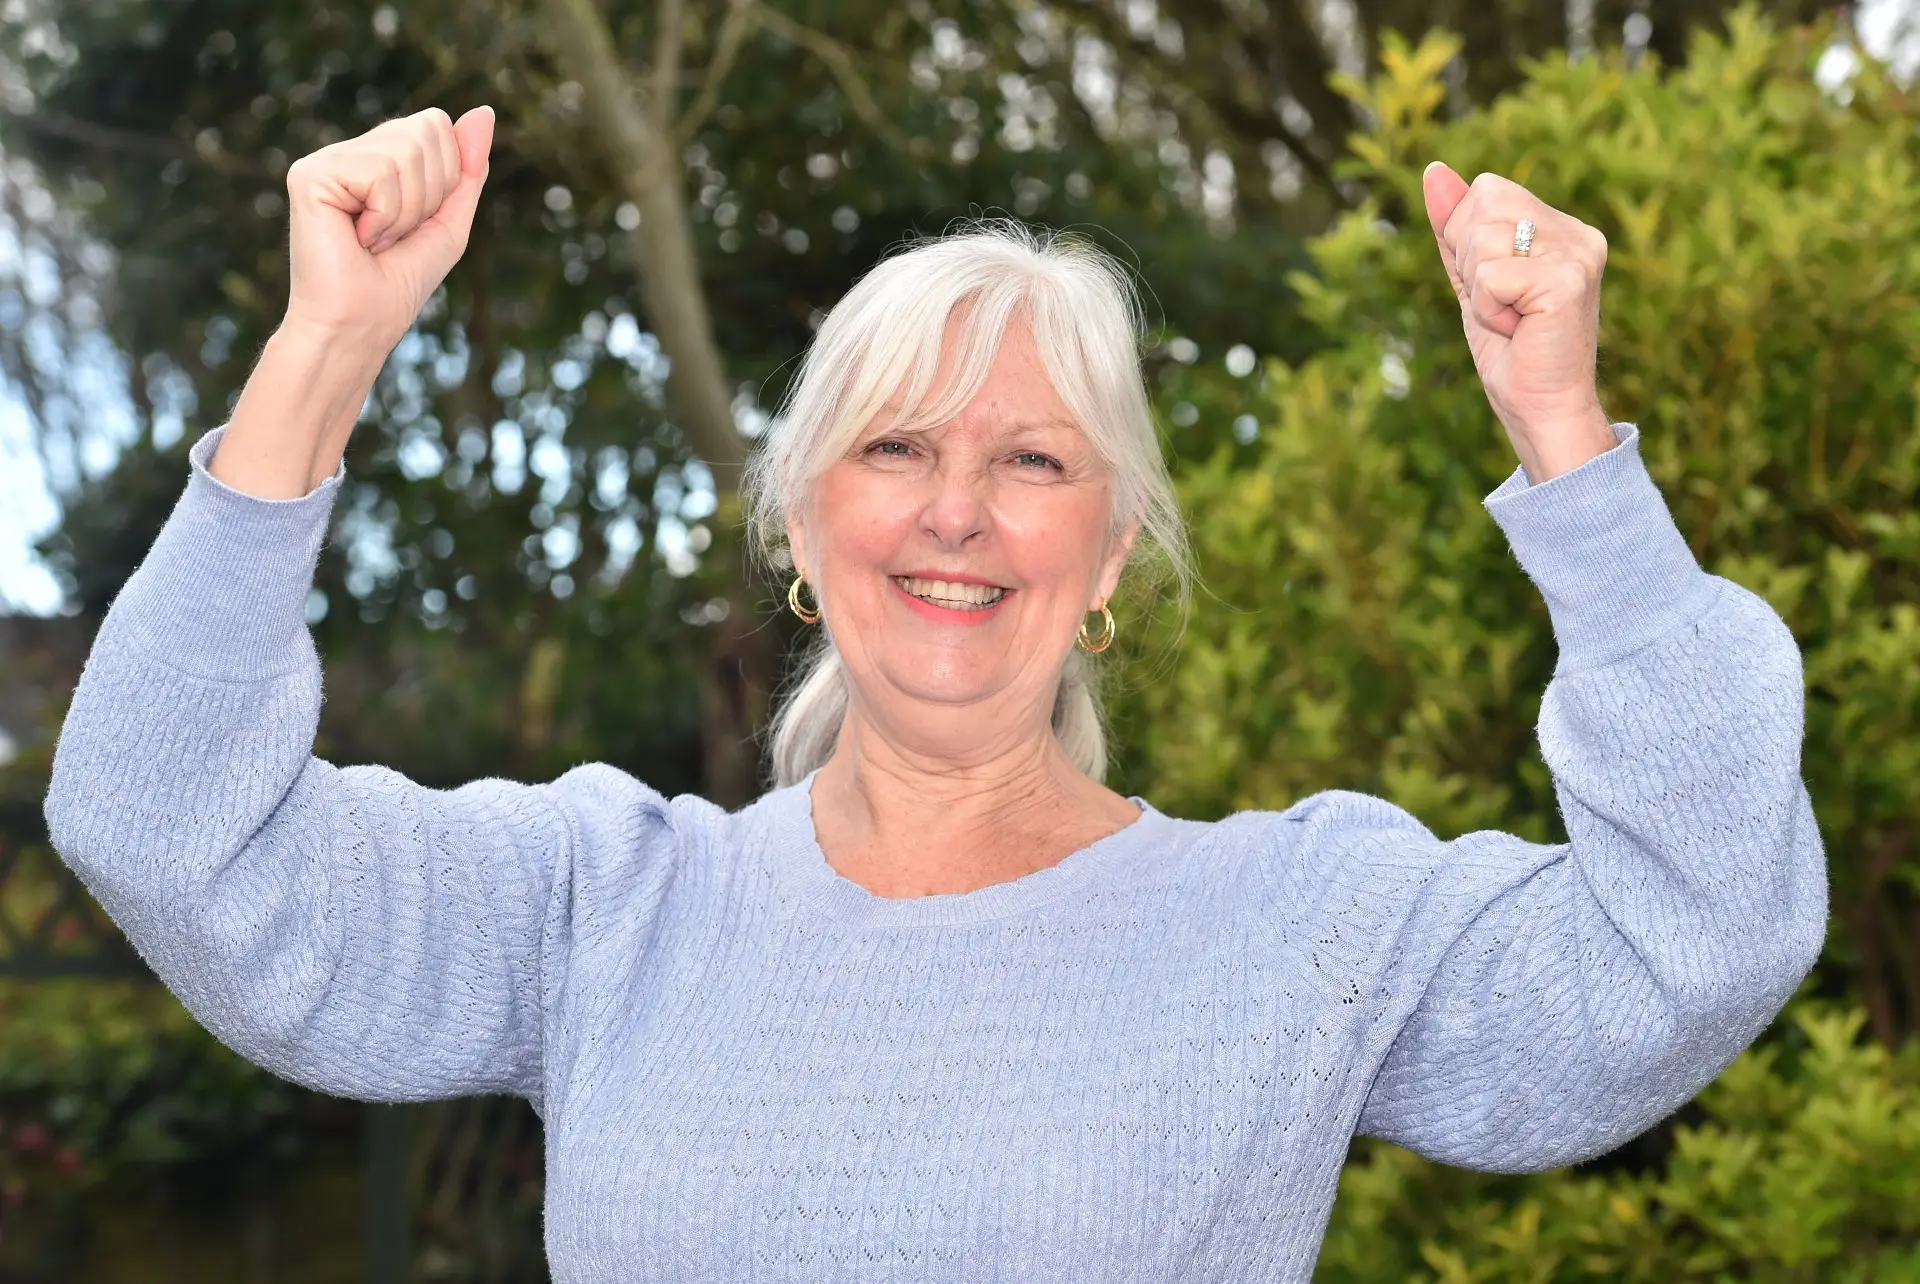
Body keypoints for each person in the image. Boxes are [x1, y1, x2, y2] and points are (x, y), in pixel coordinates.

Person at [45, 104, 1826, 1282]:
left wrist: (1570, 452)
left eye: (1036, 461)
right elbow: (163, 824)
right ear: (807, 529)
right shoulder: (603, 905)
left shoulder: (1295, 922)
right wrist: (325, 351)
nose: (959, 508)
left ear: (1111, 552)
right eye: (897, 445)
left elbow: (1701, 932)